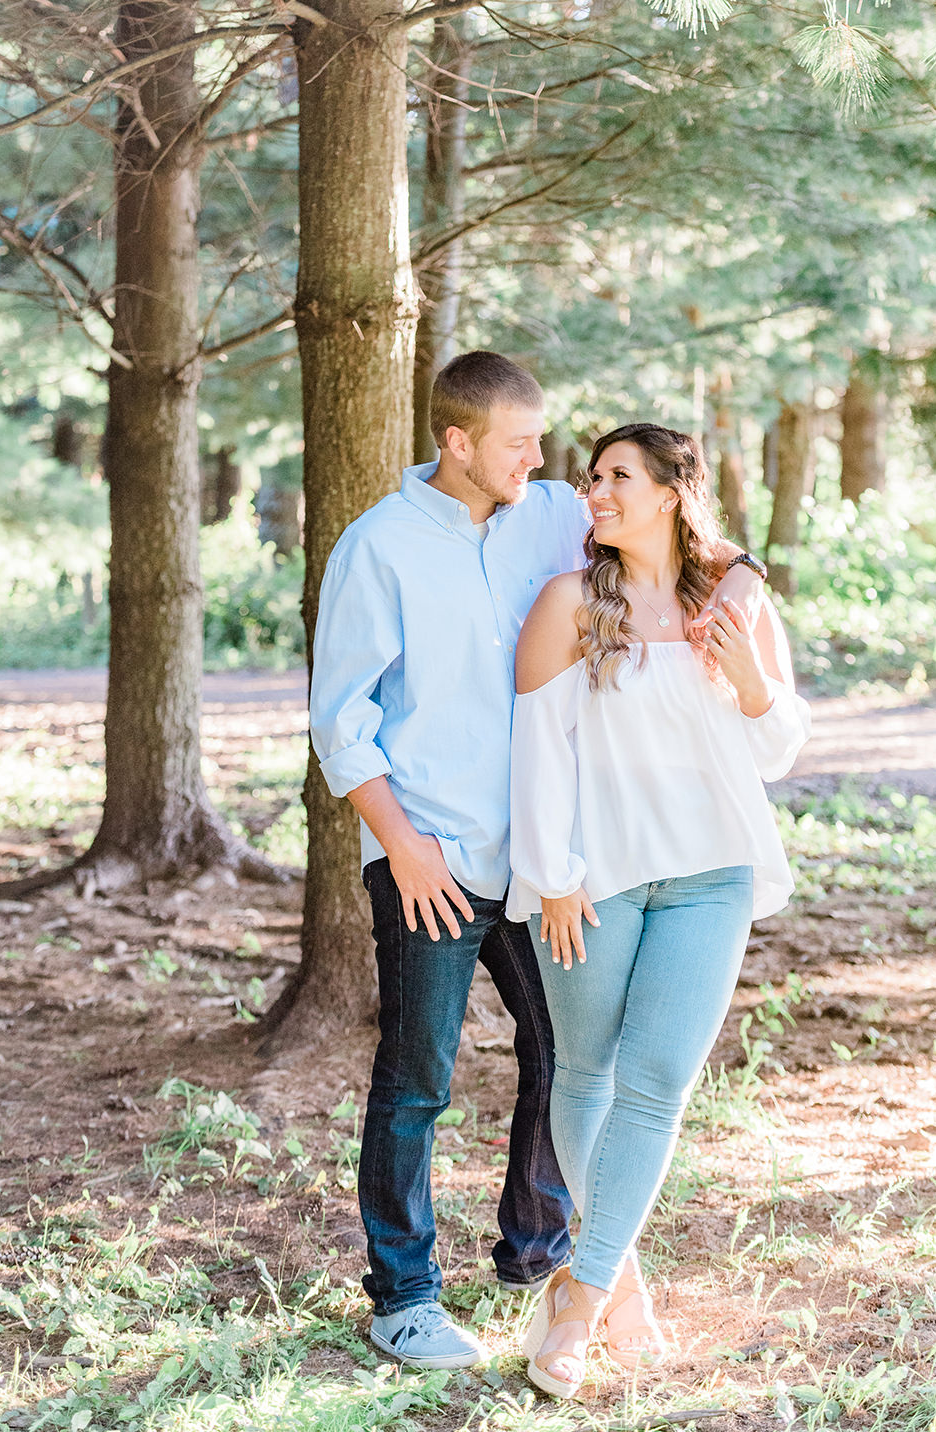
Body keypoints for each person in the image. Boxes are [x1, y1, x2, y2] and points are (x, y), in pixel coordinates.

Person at [309, 357, 764, 1370]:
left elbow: (685, 536)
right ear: (456, 442)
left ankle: (549, 1258)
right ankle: (404, 1296)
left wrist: (738, 587)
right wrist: (403, 850)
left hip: (546, 860)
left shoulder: (556, 508)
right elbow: (339, 723)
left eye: (542, 443)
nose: (540, 461)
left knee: (565, 1062)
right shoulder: (377, 547)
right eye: (518, 443)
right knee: (416, 1078)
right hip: (428, 853)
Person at [507, 422, 810, 1398]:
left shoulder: (727, 604)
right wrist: (552, 874)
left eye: (616, 478)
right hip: (592, 881)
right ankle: (619, 1285)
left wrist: (754, 679)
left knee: (654, 1086)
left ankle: (578, 1298)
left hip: (709, 875)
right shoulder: (565, 602)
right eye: (590, 478)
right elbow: (537, 749)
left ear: (674, 490)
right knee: (585, 1072)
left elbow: (775, 752)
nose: (594, 493)